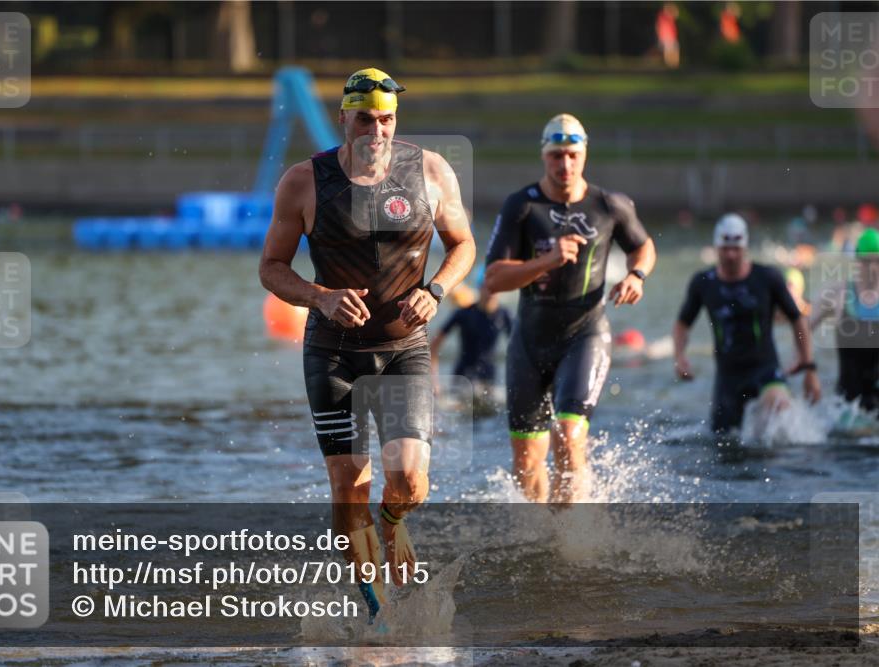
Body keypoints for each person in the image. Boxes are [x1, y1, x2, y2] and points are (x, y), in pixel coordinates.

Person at [259, 67, 475, 613]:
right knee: (348, 485)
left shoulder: (430, 171)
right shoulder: (304, 181)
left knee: (409, 482)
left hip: (404, 349)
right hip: (332, 352)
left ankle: (394, 519)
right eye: (364, 120)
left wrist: (438, 289)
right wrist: (320, 297)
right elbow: (271, 268)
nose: (375, 132)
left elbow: (465, 244)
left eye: (386, 120)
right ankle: (374, 610)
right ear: (343, 120)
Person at [484, 113, 656, 504]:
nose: (565, 165)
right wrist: (545, 262)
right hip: (529, 341)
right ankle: (542, 538)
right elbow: (493, 279)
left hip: (584, 335)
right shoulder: (522, 207)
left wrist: (636, 276)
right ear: (544, 156)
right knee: (526, 459)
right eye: (556, 155)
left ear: (584, 155)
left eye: (573, 155)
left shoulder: (609, 205)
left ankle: (572, 535)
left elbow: (642, 246)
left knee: (568, 434)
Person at [673, 214, 821, 435]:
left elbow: (797, 320)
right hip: (728, 377)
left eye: (736, 248)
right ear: (716, 247)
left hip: (765, 369)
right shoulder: (704, 282)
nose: (731, 255)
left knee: (780, 409)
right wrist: (680, 357)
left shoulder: (767, 277)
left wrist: (808, 367)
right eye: (725, 249)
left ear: (745, 247)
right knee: (724, 443)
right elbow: (682, 324)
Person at [810, 228, 879, 413]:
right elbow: (801, 329)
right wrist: (807, 366)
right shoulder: (837, 294)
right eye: (867, 261)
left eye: (877, 261)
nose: (873, 268)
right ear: (857, 261)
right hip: (846, 409)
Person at [430, 274, 512, 403]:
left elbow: (519, 347)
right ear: (479, 288)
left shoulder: (504, 315)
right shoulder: (464, 313)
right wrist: (434, 381)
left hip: (489, 377)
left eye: (496, 287)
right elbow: (434, 345)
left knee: (489, 413)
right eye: (488, 287)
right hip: (463, 376)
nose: (492, 292)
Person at [655, 3, 680, 69]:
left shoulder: (669, 14)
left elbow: (676, 14)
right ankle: (670, 67)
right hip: (665, 36)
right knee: (668, 52)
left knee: (674, 51)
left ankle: (673, 67)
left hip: (672, 36)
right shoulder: (662, 14)